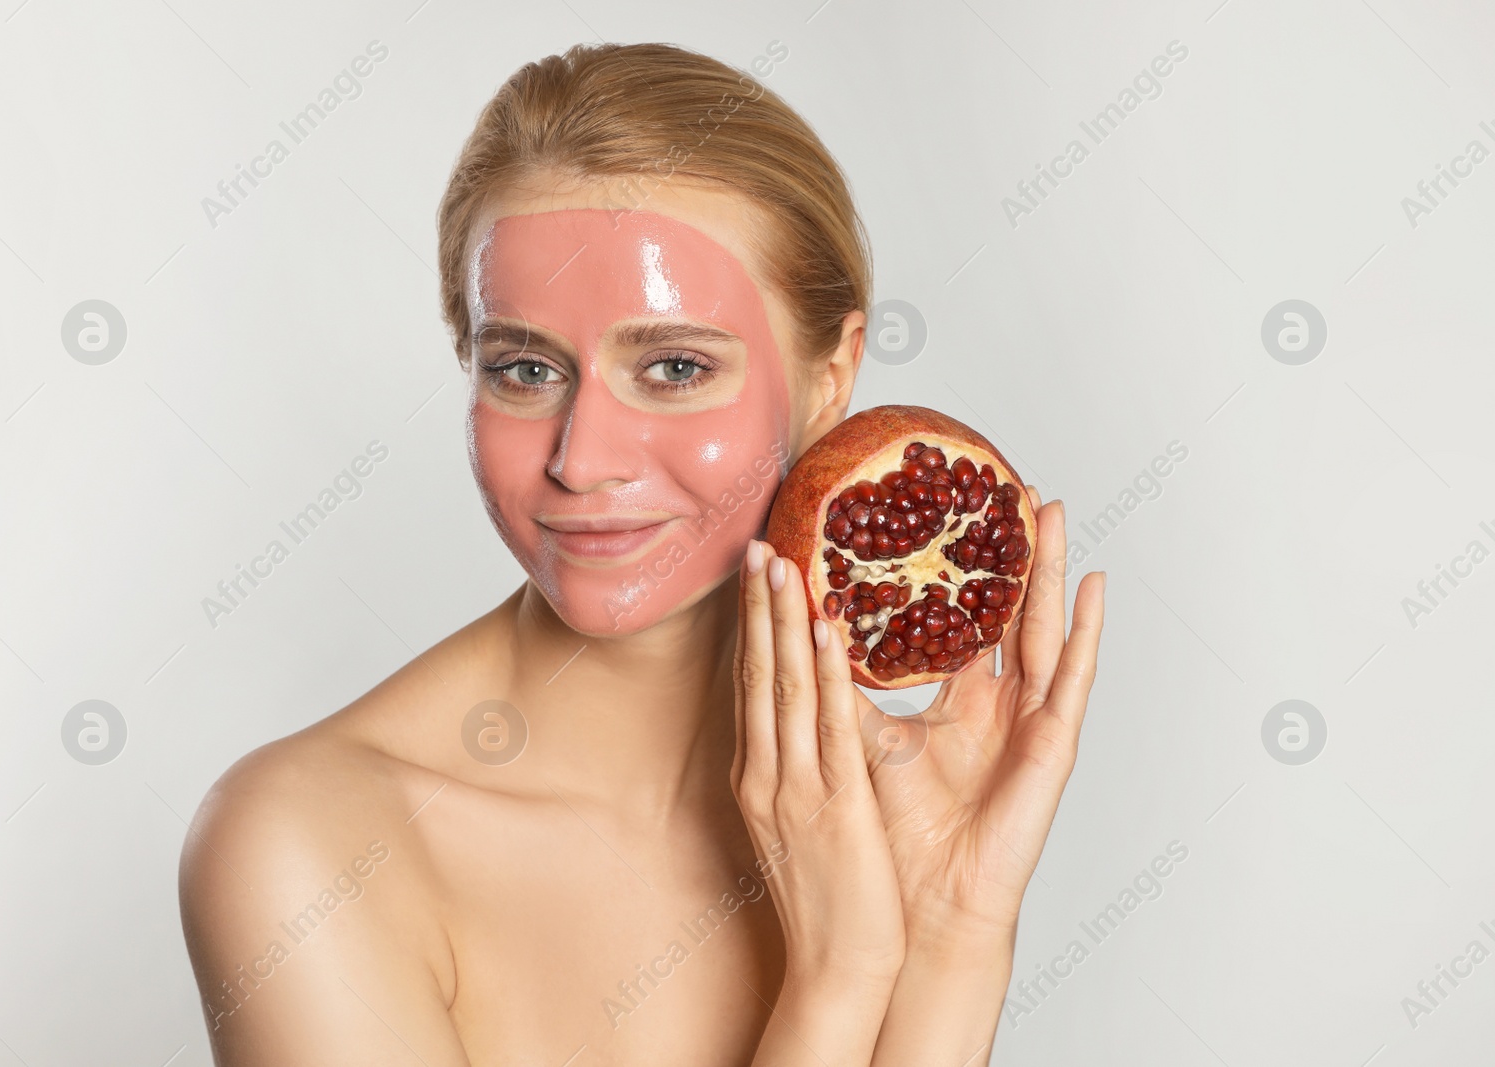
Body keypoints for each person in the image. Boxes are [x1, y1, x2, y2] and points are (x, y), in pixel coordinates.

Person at [179, 41, 1106, 1066]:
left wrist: (955, 932)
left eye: (673, 365)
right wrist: (840, 978)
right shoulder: (306, 847)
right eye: (525, 368)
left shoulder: (880, 817)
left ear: (829, 375)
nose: (583, 459)